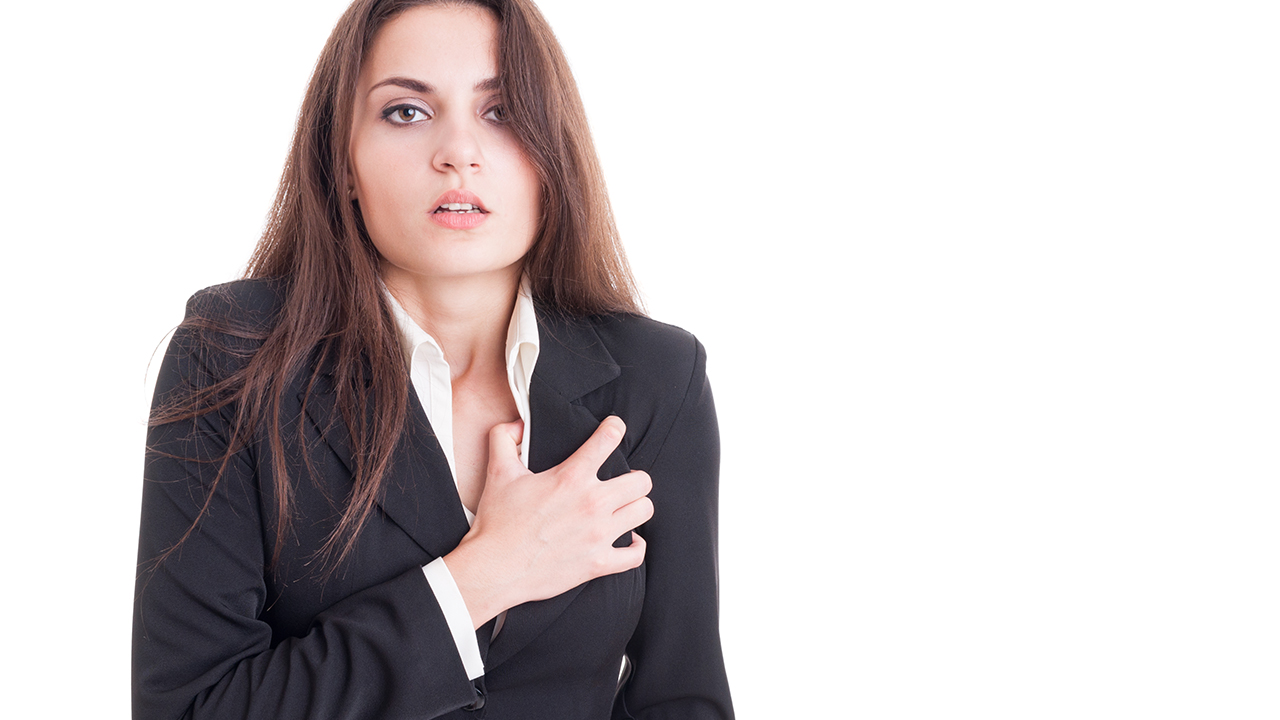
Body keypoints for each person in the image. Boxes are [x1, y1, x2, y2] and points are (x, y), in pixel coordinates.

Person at [132, 1, 732, 718]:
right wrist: (480, 577)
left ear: (554, 154)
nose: (458, 153)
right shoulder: (233, 356)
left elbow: (683, 699)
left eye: (502, 112)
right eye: (407, 112)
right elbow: (191, 708)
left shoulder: (657, 376)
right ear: (343, 163)